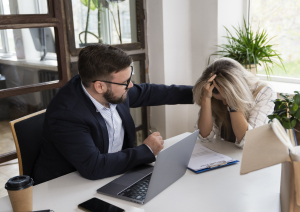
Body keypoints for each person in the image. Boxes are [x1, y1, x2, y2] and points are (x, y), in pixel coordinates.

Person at [32, 44, 193, 185]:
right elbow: (93, 167)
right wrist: (146, 150)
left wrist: (199, 93)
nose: (130, 85)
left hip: (112, 175)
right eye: (125, 82)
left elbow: (150, 92)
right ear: (99, 86)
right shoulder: (66, 114)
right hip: (64, 189)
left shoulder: (113, 89)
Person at [193, 57, 276, 148]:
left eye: (226, 99)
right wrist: (206, 98)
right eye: (220, 99)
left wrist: (233, 101)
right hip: (225, 153)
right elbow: (205, 137)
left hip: (251, 156)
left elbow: (248, 142)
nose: (224, 103)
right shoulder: (211, 93)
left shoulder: (264, 91)